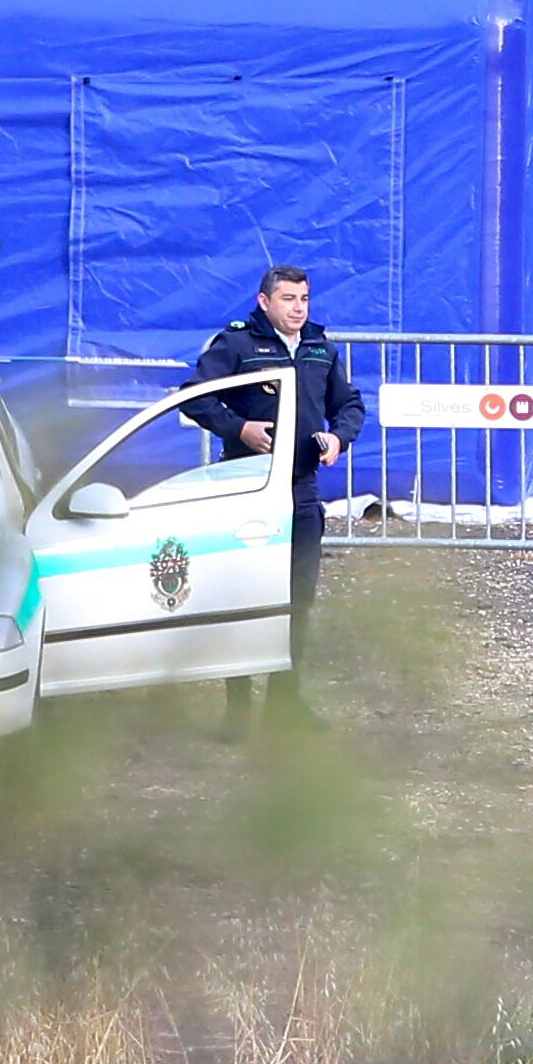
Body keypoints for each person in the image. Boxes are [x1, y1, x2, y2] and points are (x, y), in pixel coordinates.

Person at [186, 264, 366, 734]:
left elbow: (349, 404)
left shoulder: (320, 348)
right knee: (242, 594)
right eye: (288, 299)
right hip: (246, 483)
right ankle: (239, 708)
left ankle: (286, 703)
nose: (298, 308)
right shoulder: (239, 344)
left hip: (301, 486)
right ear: (265, 302)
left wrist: (338, 439)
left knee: (297, 596)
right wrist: (240, 428)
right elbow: (196, 396)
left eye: (304, 299)